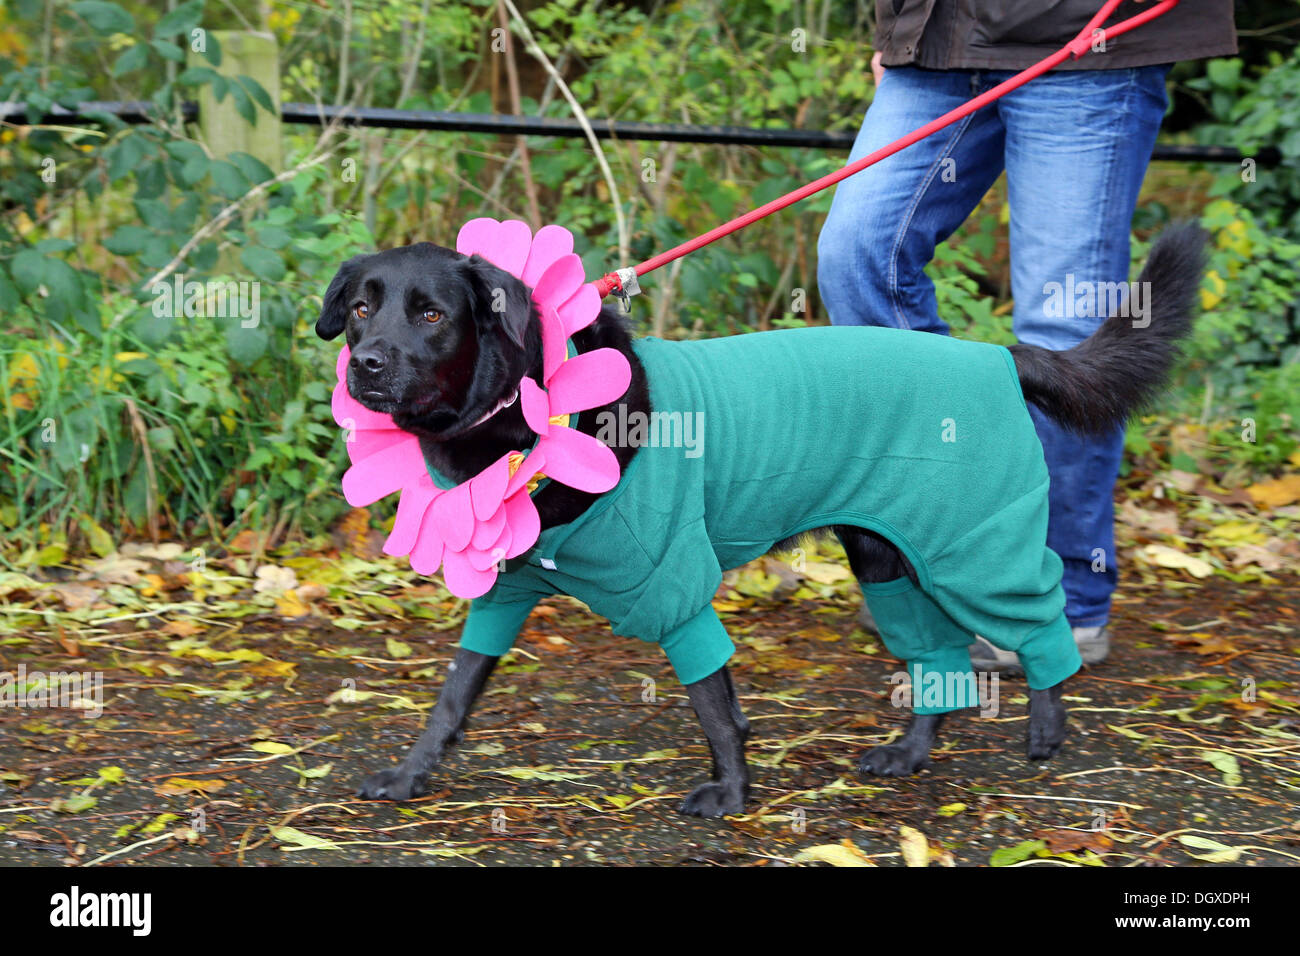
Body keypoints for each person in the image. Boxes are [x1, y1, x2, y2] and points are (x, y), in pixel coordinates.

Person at [816, 0, 1236, 670]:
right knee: (858, 258)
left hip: (1087, 45)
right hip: (934, 45)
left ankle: (1055, 602)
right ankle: (942, 556)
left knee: (1060, 331)